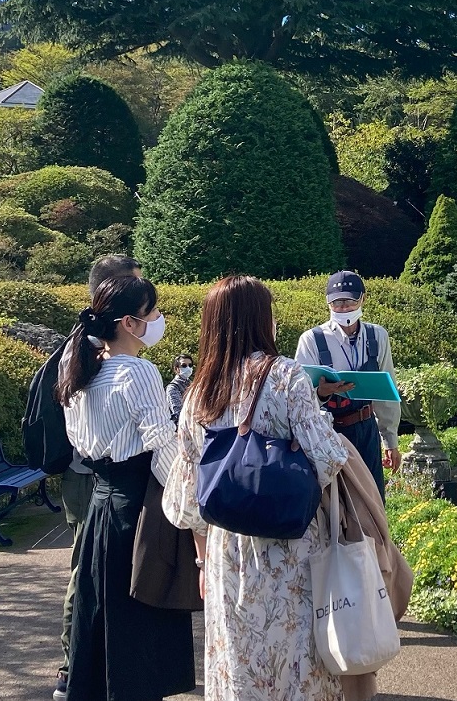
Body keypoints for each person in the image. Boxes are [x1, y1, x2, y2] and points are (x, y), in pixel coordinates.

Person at [164, 275, 351, 701]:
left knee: (238, 665)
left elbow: (188, 500)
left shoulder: (197, 393)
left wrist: (200, 564)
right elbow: (327, 459)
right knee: (296, 661)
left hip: (226, 554)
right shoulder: (286, 376)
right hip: (290, 547)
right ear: (262, 319)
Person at [56, 275, 195, 701]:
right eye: (152, 312)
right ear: (130, 324)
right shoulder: (138, 371)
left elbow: (79, 445)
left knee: (97, 609)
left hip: (100, 503)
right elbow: (162, 445)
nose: (158, 319)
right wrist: (190, 504)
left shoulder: (81, 370)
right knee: (138, 613)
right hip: (139, 506)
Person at [54, 254, 142, 701]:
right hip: (96, 479)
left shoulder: (86, 345)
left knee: (92, 578)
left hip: (95, 475)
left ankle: (84, 671)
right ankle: (75, 668)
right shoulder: (95, 352)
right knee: (88, 579)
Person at [294, 271, 400, 501]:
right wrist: (321, 392)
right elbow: (298, 398)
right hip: (329, 431)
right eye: (337, 303)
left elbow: (387, 393)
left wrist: (390, 440)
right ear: (328, 302)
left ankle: (377, 539)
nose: (343, 308)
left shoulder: (377, 336)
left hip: (366, 427)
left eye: (349, 301)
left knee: (373, 500)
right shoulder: (311, 340)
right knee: (336, 504)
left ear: (362, 299)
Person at [166, 354, 194, 421]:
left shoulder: (191, 384)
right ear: (176, 369)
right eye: (184, 365)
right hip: (182, 426)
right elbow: (178, 412)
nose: (188, 368)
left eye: (190, 365)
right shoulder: (172, 387)